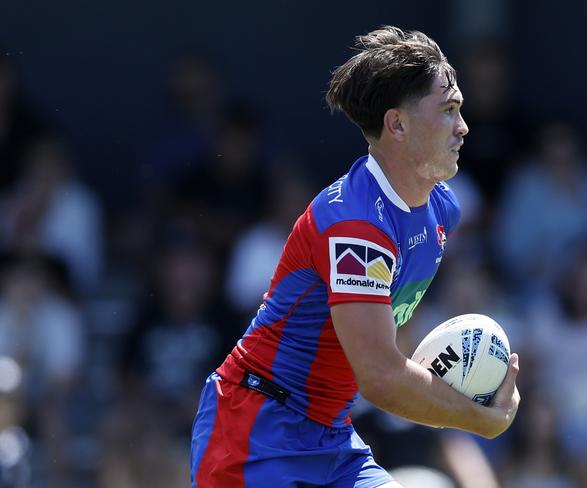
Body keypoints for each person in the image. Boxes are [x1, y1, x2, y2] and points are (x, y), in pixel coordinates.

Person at [190, 26, 520, 488]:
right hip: (257, 434)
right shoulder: (355, 227)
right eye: (448, 110)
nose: (463, 126)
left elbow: (385, 343)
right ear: (397, 125)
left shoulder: (443, 209)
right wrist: (479, 419)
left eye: (460, 109)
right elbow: (380, 377)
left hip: (331, 436)